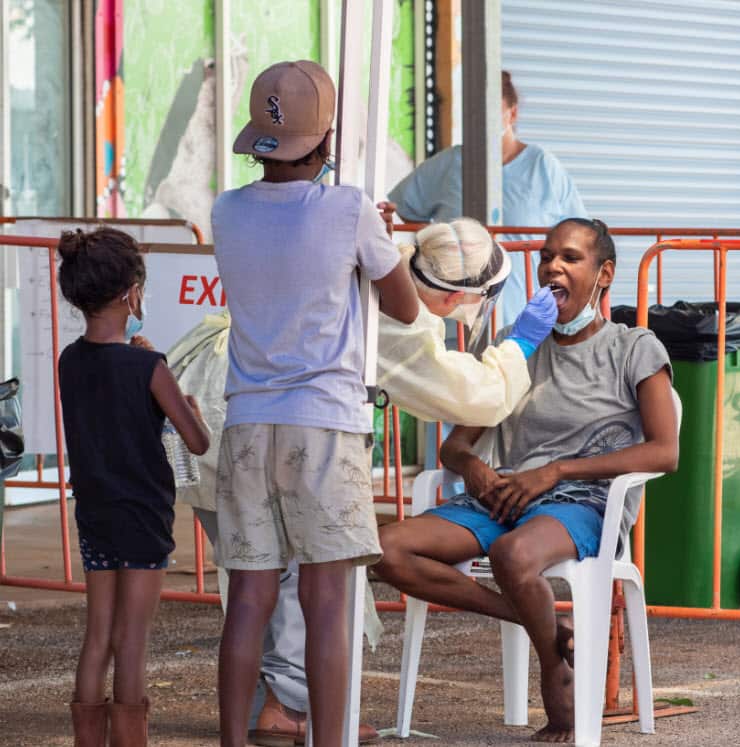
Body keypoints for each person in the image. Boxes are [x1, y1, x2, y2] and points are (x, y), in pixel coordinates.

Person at [169, 216, 558, 745]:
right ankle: (293, 707)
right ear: (454, 299)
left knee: (254, 578)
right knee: (292, 577)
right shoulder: (398, 320)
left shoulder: (383, 252)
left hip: (220, 408)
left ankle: (264, 710)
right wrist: (520, 346)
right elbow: (474, 396)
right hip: (270, 428)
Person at [374, 218, 679, 743]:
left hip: (579, 501)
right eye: (546, 257)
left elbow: (664, 451)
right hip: (505, 497)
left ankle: (552, 669)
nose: (552, 267)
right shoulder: (521, 344)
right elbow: (455, 441)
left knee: (513, 556)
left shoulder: (634, 348)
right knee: (383, 548)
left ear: (604, 274)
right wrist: (473, 467)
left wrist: (556, 471)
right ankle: (551, 631)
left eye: (571, 258)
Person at [211, 60, 420, 747]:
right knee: (326, 603)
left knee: (248, 599)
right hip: (324, 425)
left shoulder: (226, 210)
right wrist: (373, 237)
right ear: (326, 139)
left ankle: (232, 740)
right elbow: (404, 304)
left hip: (246, 423)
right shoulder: (349, 209)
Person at [58, 227, 211, 747]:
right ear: (132, 294)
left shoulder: (69, 359)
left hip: (95, 513)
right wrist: (184, 399)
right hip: (144, 516)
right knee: (133, 641)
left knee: (98, 633)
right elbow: (197, 442)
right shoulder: (149, 365)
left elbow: (108, 398)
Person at [388, 70, 589, 326]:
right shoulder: (448, 165)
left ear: (512, 113)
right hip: (454, 325)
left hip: (524, 326)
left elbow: (580, 240)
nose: (482, 119)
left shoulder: (543, 168)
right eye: (474, 111)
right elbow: (404, 210)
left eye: (492, 110)